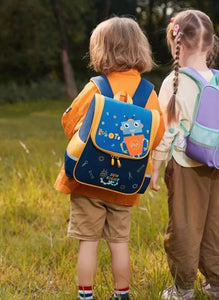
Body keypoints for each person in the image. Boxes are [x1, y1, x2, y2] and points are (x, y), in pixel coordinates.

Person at [54, 16, 164, 300]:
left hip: (87, 179)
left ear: (100, 51)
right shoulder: (148, 93)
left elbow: (69, 123)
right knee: (119, 244)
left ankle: (86, 295)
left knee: (88, 243)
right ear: (140, 48)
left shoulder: (96, 86)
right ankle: (122, 294)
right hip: (125, 183)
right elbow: (158, 133)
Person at [150, 10, 219, 300]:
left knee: (185, 224)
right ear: (210, 44)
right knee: (214, 223)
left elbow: (166, 132)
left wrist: (156, 169)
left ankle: (183, 288)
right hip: (215, 164)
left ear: (178, 44)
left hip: (185, 165)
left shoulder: (175, 82)